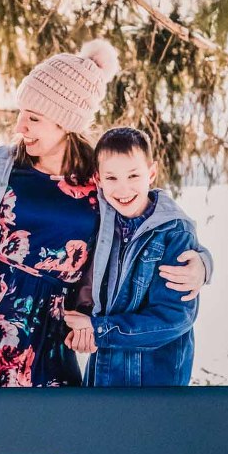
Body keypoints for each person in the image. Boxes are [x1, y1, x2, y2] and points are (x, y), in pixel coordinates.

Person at [0, 42, 211, 387]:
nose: (20, 126)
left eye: (34, 118)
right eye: (21, 113)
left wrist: (203, 263)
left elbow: (150, 222)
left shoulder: (101, 181)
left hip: (46, 329)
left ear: (65, 122)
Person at [64, 127, 201, 386]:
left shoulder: (174, 232)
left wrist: (100, 329)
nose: (123, 189)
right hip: (103, 373)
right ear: (98, 179)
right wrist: (80, 324)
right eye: (112, 178)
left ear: (151, 173)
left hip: (154, 379)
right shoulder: (101, 223)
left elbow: (175, 317)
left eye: (134, 175)